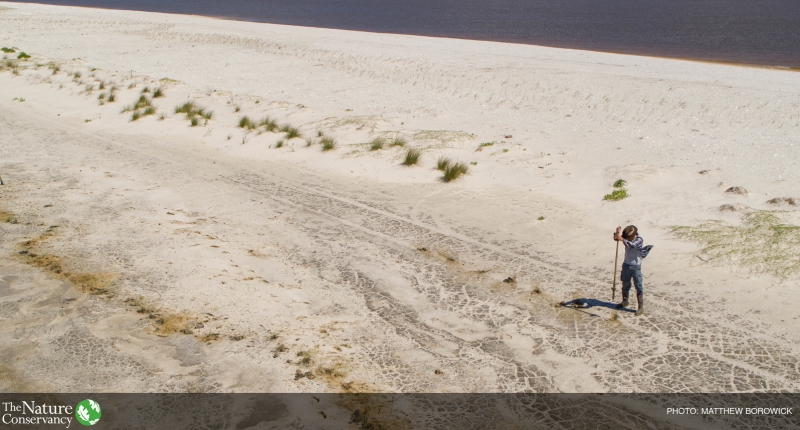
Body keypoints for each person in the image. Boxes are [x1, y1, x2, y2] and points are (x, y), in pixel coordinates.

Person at [613, 225, 653, 316]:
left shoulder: (639, 239)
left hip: (636, 266)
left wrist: (622, 239)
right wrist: (617, 233)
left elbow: (632, 245)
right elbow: (616, 238)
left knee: (638, 286)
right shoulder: (627, 238)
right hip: (626, 264)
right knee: (625, 283)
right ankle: (625, 301)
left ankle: (640, 307)